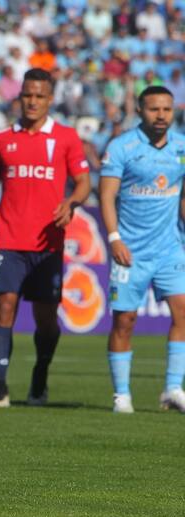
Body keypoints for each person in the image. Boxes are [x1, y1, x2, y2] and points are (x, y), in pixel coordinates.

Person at [0, 68, 91, 408]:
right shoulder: (3, 139)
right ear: (19, 96)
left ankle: (40, 374)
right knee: (4, 307)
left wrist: (72, 202)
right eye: (27, 95)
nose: (32, 101)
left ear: (50, 99)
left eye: (40, 96)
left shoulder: (66, 138)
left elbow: (83, 182)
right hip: (8, 240)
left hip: (48, 245)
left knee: (46, 321)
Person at [99, 86, 185, 414]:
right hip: (130, 251)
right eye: (154, 109)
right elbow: (106, 197)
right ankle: (122, 395)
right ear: (140, 110)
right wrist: (114, 239)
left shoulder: (181, 147)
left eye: (166, 109)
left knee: (183, 312)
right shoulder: (122, 147)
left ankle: (173, 388)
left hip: (170, 249)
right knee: (125, 320)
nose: (161, 115)